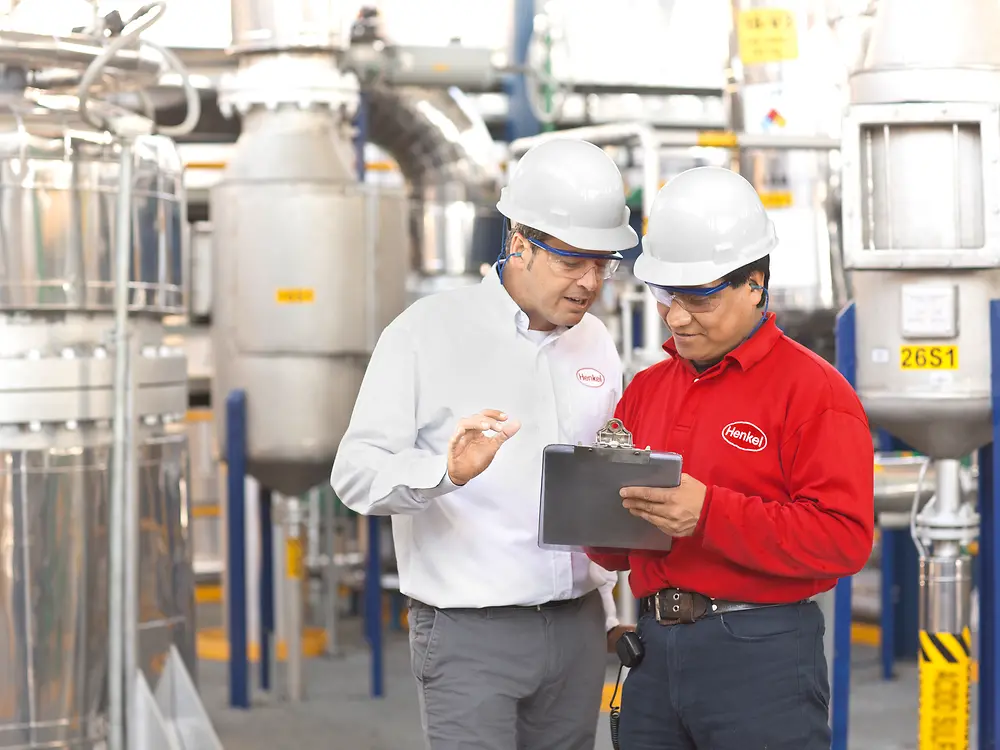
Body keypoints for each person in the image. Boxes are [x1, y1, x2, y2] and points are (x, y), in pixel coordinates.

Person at [331, 137, 640, 750]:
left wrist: (607, 607)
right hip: (470, 633)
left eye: (603, 263)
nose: (589, 282)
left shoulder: (597, 342)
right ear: (520, 241)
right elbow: (355, 475)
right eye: (573, 261)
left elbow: (600, 479)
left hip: (576, 627)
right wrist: (445, 470)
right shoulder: (425, 333)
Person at [586, 166, 875, 750]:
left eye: (699, 298)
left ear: (755, 284)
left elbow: (844, 538)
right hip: (653, 650)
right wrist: (592, 509)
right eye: (666, 296)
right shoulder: (646, 389)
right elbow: (612, 548)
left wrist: (710, 515)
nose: (677, 317)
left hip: (760, 653)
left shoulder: (814, 393)